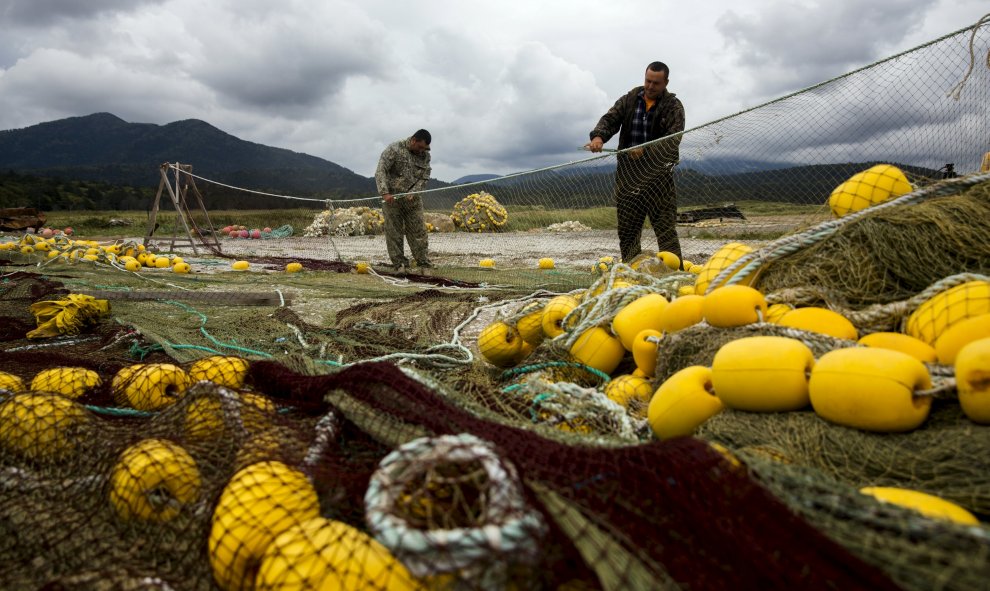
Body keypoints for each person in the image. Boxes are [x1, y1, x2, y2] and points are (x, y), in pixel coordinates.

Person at [585, 61, 685, 265]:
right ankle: (633, 274)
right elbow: (610, 119)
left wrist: (645, 150)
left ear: (666, 82)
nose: (650, 86)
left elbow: (673, 140)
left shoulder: (674, 106)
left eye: (656, 83)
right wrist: (598, 137)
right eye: (648, 80)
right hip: (629, 178)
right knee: (628, 233)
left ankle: (675, 276)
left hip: (659, 179)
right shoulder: (630, 99)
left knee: (666, 233)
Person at [375, 129, 433, 271]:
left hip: (412, 200)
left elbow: (424, 176)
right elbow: (381, 170)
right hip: (392, 199)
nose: (421, 151)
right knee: (394, 232)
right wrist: (385, 193)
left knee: (418, 231)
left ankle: (423, 262)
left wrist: (414, 192)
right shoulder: (394, 149)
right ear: (413, 140)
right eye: (420, 147)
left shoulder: (425, 155)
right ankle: (399, 264)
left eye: (424, 149)